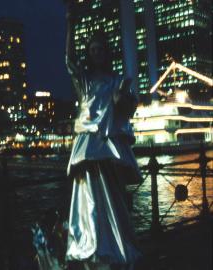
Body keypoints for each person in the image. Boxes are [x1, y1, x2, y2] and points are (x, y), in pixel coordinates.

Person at [65, 8, 142, 270]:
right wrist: (70, 25)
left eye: (100, 49)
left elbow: (127, 109)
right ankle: (95, 248)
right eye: (92, 50)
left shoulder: (116, 80)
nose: (96, 53)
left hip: (108, 148)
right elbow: (69, 61)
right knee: (90, 201)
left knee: (115, 200)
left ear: (107, 53)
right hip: (88, 147)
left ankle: (115, 248)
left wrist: (122, 101)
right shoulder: (85, 81)